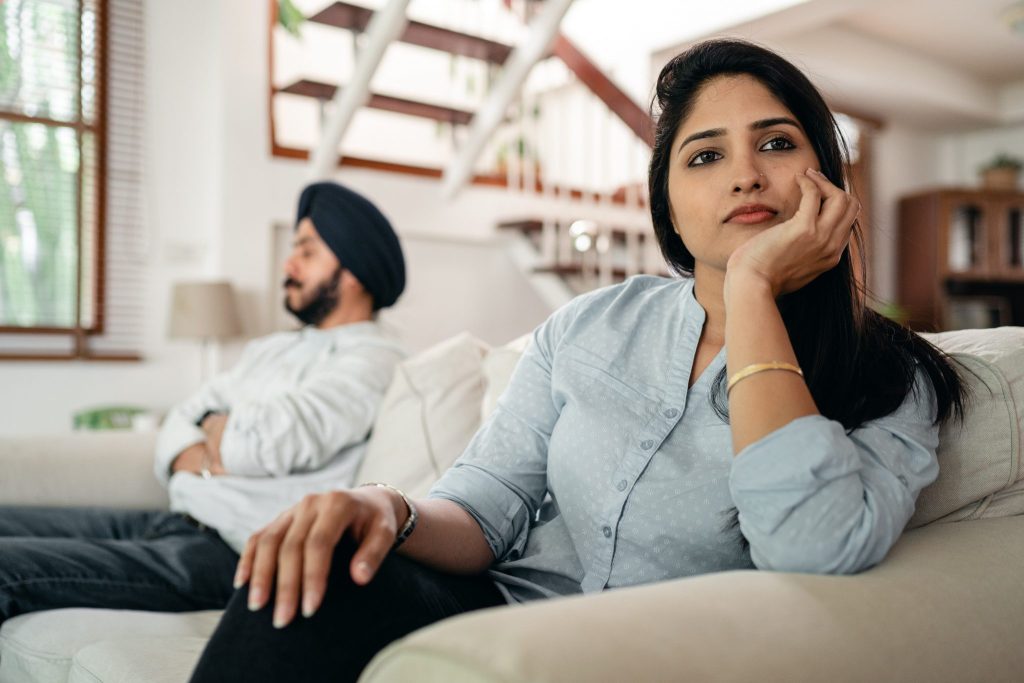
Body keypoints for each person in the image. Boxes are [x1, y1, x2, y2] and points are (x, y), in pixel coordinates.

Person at [189, 40, 970, 683]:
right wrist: (386, 507)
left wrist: (755, 286)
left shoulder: (891, 375)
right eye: (704, 156)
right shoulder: (590, 325)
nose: (744, 175)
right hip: (491, 615)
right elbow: (489, 504)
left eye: (776, 142)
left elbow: (811, 544)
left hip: (655, 655)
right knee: (306, 574)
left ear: (826, 178)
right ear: (666, 200)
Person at [0, 181, 407, 624]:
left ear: (353, 272)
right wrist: (217, 441)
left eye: (306, 252)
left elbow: (263, 444)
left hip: (229, 553)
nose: (287, 264)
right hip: (174, 519)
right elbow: (181, 420)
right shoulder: (270, 349)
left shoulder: (375, 359)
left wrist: (214, 432)